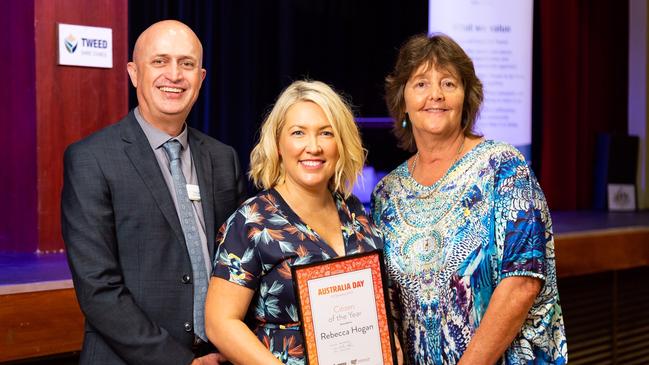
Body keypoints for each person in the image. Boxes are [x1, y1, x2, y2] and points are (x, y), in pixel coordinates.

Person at [371, 34, 568, 364]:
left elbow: (522, 283)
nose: (435, 95)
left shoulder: (503, 168)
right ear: (402, 100)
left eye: (448, 83)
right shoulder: (386, 195)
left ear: (466, 98)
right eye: (420, 84)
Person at [61, 20, 245, 365]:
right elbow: (98, 288)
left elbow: (237, 266)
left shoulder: (223, 159)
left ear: (201, 78)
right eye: (159, 61)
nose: (174, 75)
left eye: (186, 63)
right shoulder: (91, 159)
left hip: (218, 356)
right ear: (133, 72)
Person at [204, 80, 390, 365]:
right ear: (279, 144)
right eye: (298, 133)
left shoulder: (356, 213)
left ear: (340, 143)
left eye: (326, 133)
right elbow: (220, 322)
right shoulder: (252, 222)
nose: (313, 147)